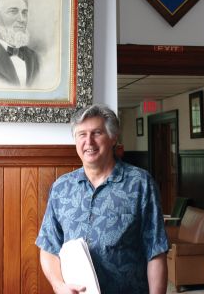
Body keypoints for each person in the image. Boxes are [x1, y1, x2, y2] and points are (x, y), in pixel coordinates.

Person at [36, 104, 169, 294]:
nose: (88, 142)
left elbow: (156, 250)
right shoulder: (61, 188)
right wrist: (59, 286)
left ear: (113, 138)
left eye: (96, 133)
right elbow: (49, 247)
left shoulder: (140, 184)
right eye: (81, 134)